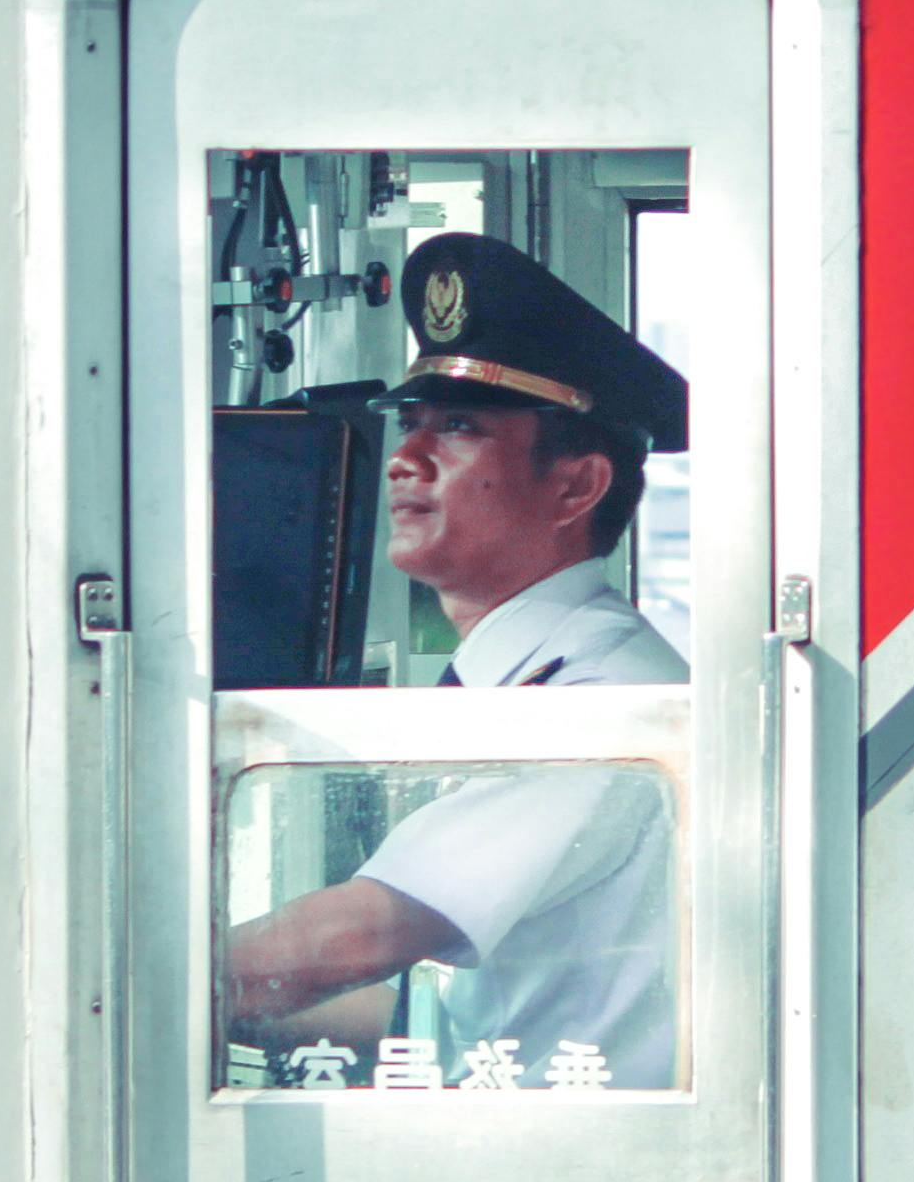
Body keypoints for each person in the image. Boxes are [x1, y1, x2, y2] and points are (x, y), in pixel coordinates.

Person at [223, 233, 691, 1088]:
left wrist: (125, 986)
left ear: (576, 486)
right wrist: (228, 1009)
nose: (405, 458)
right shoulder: (516, 676)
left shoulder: (595, 697)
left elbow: (362, 938)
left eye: (460, 427)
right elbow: (446, 1007)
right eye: (411, 423)